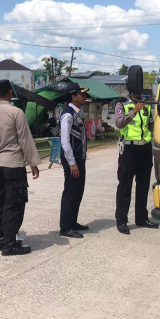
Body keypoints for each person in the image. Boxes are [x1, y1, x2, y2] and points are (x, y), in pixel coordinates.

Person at [0, 79, 41, 256]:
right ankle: (10, 244)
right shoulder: (16, 113)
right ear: (10, 93)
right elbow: (25, 139)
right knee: (14, 204)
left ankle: (1, 240)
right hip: (14, 165)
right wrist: (34, 163)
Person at [114, 89, 159, 234]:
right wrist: (134, 111)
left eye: (140, 90)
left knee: (143, 185)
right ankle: (121, 220)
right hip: (129, 150)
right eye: (135, 90)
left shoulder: (146, 106)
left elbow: (151, 125)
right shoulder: (121, 105)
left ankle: (141, 218)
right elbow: (119, 123)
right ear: (129, 89)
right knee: (125, 186)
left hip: (144, 150)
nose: (138, 93)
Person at [59, 82, 90, 238]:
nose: (84, 96)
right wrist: (72, 163)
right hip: (73, 161)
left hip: (79, 159)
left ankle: (73, 222)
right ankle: (65, 227)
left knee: (78, 191)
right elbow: (64, 141)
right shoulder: (68, 114)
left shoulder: (78, 112)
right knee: (71, 192)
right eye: (81, 94)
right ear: (73, 96)